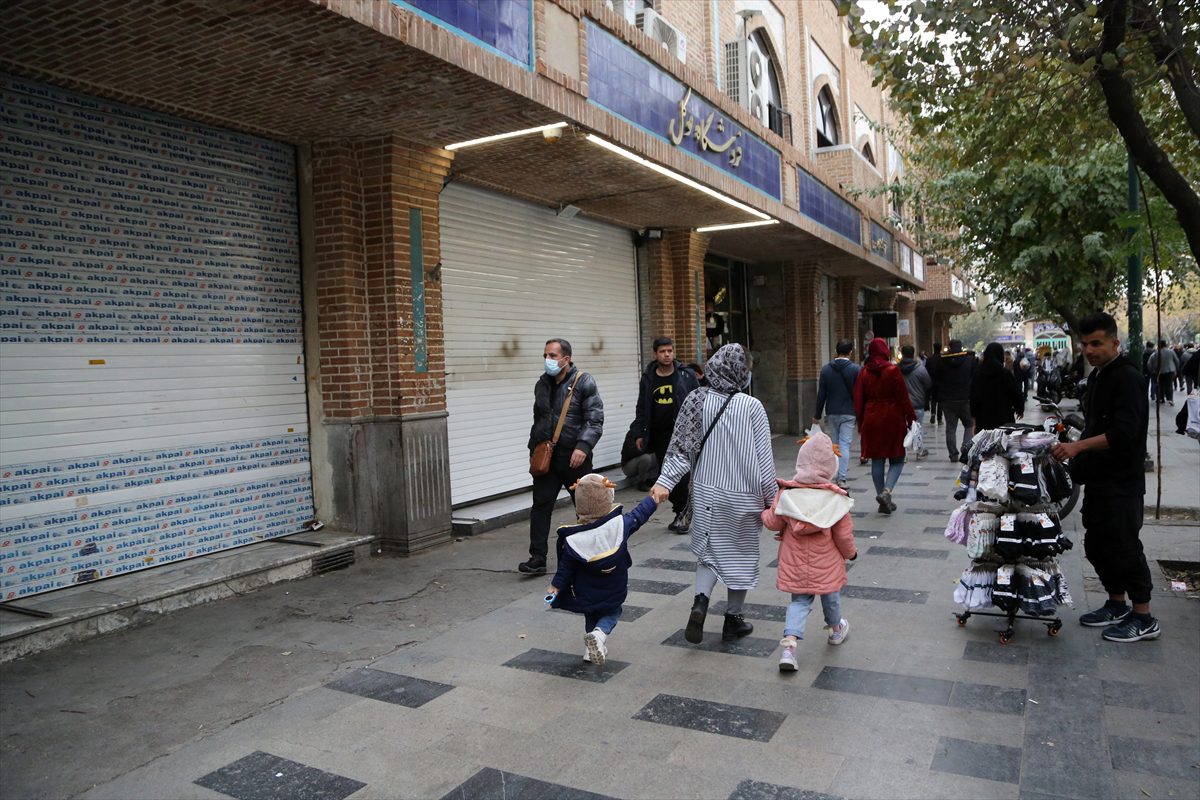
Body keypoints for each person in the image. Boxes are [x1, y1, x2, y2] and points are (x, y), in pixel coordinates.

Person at [651, 344, 777, 644]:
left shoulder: (696, 400)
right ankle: (733, 620)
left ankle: (700, 602)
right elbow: (765, 461)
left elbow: (681, 449)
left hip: (707, 492)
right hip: (744, 496)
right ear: (740, 372)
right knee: (741, 556)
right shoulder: (752, 407)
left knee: (708, 551)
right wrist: (774, 503)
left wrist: (665, 481)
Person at [1051, 312, 1158, 642]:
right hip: (1098, 479)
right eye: (1085, 344)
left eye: (1096, 343)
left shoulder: (1127, 378)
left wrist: (1079, 446)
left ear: (1115, 342)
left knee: (1125, 547)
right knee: (1097, 546)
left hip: (1122, 482)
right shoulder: (1099, 377)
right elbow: (1096, 425)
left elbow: (1124, 433)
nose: (1089, 350)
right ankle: (1116, 602)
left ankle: (1143, 616)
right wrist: (1071, 444)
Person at [761, 432, 858, 672]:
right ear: (830, 467)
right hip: (826, 563)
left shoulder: (787, 494)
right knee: (831, 595)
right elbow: (843, 536)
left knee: (799, 602)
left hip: (794, 561)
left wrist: (764, 511)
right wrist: (851, 554)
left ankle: (789, 647)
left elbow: (773, 522)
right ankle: (836, 630)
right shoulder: (836, 500)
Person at [545, 474, 659, 666]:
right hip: (614, 586)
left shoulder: (574, 540)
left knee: (592, 613)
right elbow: (639, 515)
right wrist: (653, 500)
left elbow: (565, 569)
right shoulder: (619, 526)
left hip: (586, 591)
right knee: (612, 612)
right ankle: (599, 636)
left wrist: (555, 588)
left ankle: (591, 650)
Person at [521, 338, 604, 575]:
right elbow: (538, 421)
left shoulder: (584, 381)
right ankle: (537, 557)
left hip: (574, 457)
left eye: (553, 356)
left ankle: (592, 554)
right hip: (548, 456)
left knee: (586, 508)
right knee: (541, 505)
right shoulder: (542, 384)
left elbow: (595, 419)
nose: (548, 360)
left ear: (566, 359)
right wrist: (533, 451)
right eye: (545, 355)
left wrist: (583, 446)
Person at [631, 337, 700, 532]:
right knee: (666, 474)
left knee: (682, 475)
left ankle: (683, 513)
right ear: (655, 354)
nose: (667, 354)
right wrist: (639, 433)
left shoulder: (685, 375)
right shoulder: (648, 378)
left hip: (683, 434)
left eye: (670, 350)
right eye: (663, 351)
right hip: (660, 435)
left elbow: (698, 402)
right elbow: (642, 407)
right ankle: (681, 510)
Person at [854, 338, 917, 514]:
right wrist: (911, 418)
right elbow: (903, 397)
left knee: (877, 458)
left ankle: (882, 498)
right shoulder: (892, 370)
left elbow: (858, 399)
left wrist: (861, 421)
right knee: (897, 458)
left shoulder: (864, 372)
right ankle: (887, 491)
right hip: (892, 417)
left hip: (872, 417)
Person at [811, 339, 861, 488]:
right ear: (850, 352)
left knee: (834, 444)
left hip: (832, 412)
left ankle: (833, 473)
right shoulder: (856, 370)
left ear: (836, 351)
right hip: (849, 413)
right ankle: (842, 478)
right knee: (845, 444)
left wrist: (817, 415)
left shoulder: (826, 369)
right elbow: (859, 394)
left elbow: (822, 394)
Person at [935, 338, 976, 462]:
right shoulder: (969, 361)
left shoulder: (942, 362)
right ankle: (966, 449)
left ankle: (953, 454)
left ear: (949, 347)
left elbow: (937, 380)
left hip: (947, 400)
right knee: (969, 425)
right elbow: (973, 378)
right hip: (965, 398)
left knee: (950, 428)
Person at [971, 343, 1025, 431]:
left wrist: (974, 418)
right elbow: (1016, 393)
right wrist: (1020, 409)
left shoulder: (978, 374)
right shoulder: (1005, 374)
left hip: (984, 419)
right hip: (1004, 418)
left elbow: (974, 397)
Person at [898, 344, 932, 458]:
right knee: (917, 427)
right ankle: (919, 451)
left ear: (902, 354)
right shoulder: (920, 369)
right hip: (917, 404)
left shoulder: (896, 369)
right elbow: (928, 384)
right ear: (913, 354)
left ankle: (903, 453)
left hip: (901, 404)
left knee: (902, 429)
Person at [1147, 340, 1178, 405]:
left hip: (1159, 372)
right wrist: (1176, 369)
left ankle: (1161, 398)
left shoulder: (1156, 353)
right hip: (1170, 371)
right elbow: (1176, 361)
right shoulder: (1171, 352)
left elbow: (1151, 364)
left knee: (1160, 385)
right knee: (1169, 385)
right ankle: (1170, 399)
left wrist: (1153, 371)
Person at [927, 340, 944, 427]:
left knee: (933, 400)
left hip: (932, 382)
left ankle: (933, 413)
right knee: (940, 401)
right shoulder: (943, 359)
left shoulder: (929, 359)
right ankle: (939, 418)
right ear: (940, 348)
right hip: (941, 383)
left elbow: (926, 371)